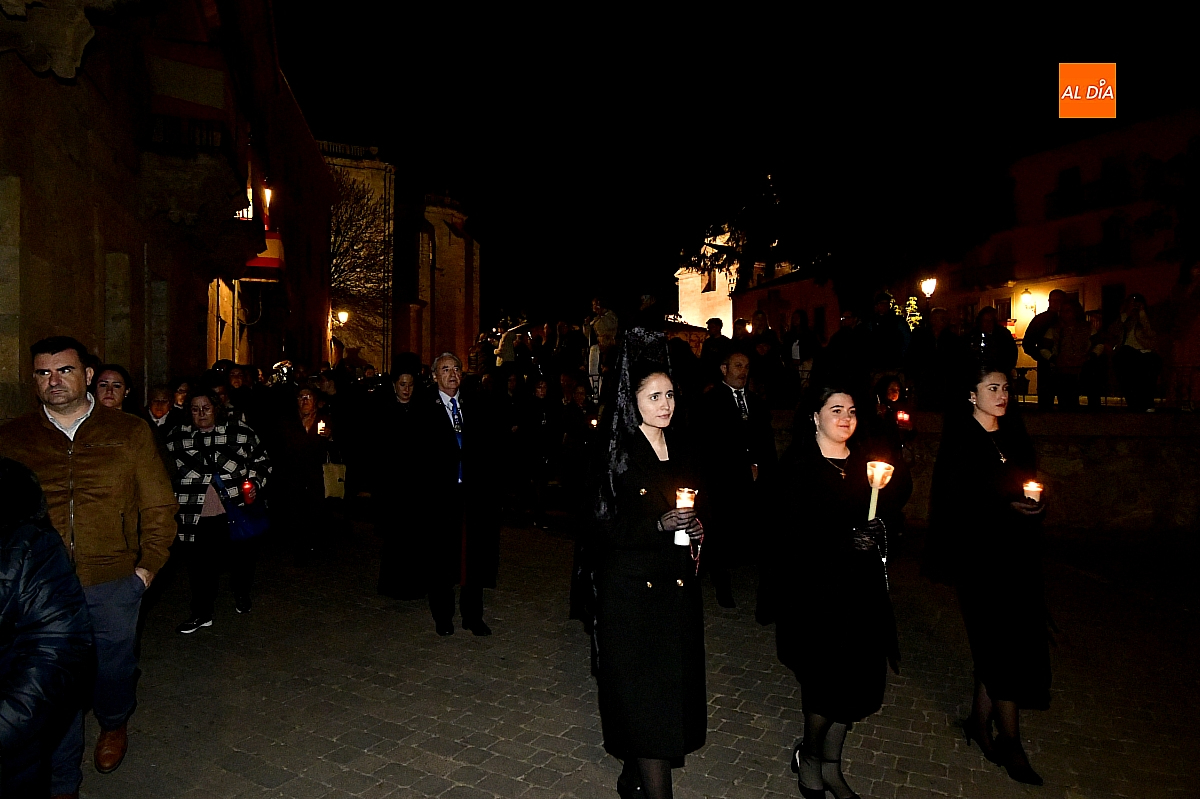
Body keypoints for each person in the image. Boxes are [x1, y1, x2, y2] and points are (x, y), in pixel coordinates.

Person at [0, 336, 178, 798]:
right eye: (43, 373)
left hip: (112, 581)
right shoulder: (14, 438)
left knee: (113, 669)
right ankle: (64, 781)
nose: (54, 381)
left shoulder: (129, 431)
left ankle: (114, 722)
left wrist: (146, 569)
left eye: (64, 370)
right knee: (52, 685)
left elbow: (159, 505)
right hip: (42, 591)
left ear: (88, 375)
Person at [774, 383, 910, 799]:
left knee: (854, 686)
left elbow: (890, 520)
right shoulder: (798, 466)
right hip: (816, 597)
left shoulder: (866, 466)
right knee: (824, 688)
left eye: (851, 410)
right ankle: (810, 760)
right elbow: (787, 536)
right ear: (815, 417)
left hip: (861, 596)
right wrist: (842, 542)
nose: (846, 418)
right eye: (836, 410)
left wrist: (880, 531)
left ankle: (832, 766)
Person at [591, 328, 706, 799]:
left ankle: (633, 770)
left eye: (670, 395)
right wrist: (655, 525)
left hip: (675, 591)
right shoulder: (616, 453)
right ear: (632, 400)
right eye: (654, 396)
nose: (665, 404)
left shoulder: (681, 446)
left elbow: (699, 508)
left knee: (664, 694)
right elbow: (601, 527)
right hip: (631, 595)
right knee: (645, 697)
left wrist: (698, 530)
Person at [925, 363, 1050, 786]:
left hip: (1017, 557)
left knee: (1001, 643)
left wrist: (1033, 504)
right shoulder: (962, 441)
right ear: (971, 395)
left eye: (1005, 387)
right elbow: (954, 502)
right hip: (979, 561)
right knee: (1000, 645)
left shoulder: (1013, 435)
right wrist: (1001, 506)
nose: (1002, 395)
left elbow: (1024, 481)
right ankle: (1011, 742)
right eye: (992, 387)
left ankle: (979, 723)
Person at [0, 457, 93, 797]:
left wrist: (145, 567)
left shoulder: (24, 536)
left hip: (102, 576)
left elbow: (54, 651)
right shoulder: (24, 436)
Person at [166, 387, 271, 632]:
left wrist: (254, 484)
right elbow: (165, 472)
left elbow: (262, 461)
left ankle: (241, 592)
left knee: (240, 559)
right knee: (200, 566)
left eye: (206, 408)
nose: (201, 413)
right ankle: (202, 612)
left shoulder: (240, 432)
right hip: (195, 513)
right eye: (195, 409)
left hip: (233, 509)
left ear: (216, 408)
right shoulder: (177, 437)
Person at [423, 352, 501, 636]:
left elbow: (488, 446)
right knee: (441, 558)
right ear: (435, 376)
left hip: (472, 495)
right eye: (445, 369)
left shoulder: (475, 404)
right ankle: (443, 616)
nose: (452, 374)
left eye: (456, 369)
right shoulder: (425, 409)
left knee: (474, 557)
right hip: (440, 496)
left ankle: (473, 615)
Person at [694, 350, 777, 614]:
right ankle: (722, 585)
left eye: (747, 367)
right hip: (724, 481)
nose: (743, 371)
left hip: (755, 481)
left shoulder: (756, 403)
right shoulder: (710, 402)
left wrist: (763, 468)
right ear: (724, 369)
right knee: (720, 534)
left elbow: (766, 442)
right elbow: (711, 446)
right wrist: (740, 468)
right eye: (738, 366)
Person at [377, 362, 428, 599]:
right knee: (395, 537)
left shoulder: (420, 411)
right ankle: (393, 584)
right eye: (402, 385)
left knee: (414, 536)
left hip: (415, 483)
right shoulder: (385, 411)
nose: (406, 390)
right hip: (394, 484)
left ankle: (414, 583)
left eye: (410, 385)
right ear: (394, 385)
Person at [272, 386, 334, 565]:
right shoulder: (288, 421)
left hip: (316, 473)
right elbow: (280, 446)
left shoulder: (323, 419)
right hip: (293, 473)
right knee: (295, 509)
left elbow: (332, 446)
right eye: (301, 397)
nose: (305, 400)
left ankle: (315, 545)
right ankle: (298, 547)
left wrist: (330, 437)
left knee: (316, 509)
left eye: (308, 397)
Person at [1109, 293, 1160, 411]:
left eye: (1136, 303)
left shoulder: (1147, 318)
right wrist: (1125, 313)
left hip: (1144, 352)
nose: (1134, 305)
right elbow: (1113, 331)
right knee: (1124, 357)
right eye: (1131, 303)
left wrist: (1142, 313)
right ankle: (1134, 403)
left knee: (1149, 364)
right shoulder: (1123, 320)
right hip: (1126, 354)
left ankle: (1147, 403)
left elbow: (1150, 333)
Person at [1023, 289, 1065, 410]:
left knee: (1066, 404)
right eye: (1054, 301)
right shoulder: (1041, 320)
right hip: (1048, 368)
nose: (1057, 303)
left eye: (1060, 301)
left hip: (1066, 367)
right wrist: (1044, 358)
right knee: (1046, 405)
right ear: (1049, 301)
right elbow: (1028, 344)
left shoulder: (1067, 320)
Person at [1049, 300, 1092, 409]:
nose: (1064, 314)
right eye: (1062, 311)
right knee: (1065, 400)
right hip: (1062, 369)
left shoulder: (1087, 328)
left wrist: (1089, 357)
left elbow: (1098, 344)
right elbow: (1044, 348)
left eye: (1068, 311)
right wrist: (1054, 359)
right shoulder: (1055, 330)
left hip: (1083, 368)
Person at [967, 307, 1018, 375]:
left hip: (1000, 372)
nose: (988, 323)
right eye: (985, 320)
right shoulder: (973, 335)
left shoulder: (1003, 335)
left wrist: (1005, 369)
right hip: (978, 373)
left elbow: (1012, 353)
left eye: (990, 320)